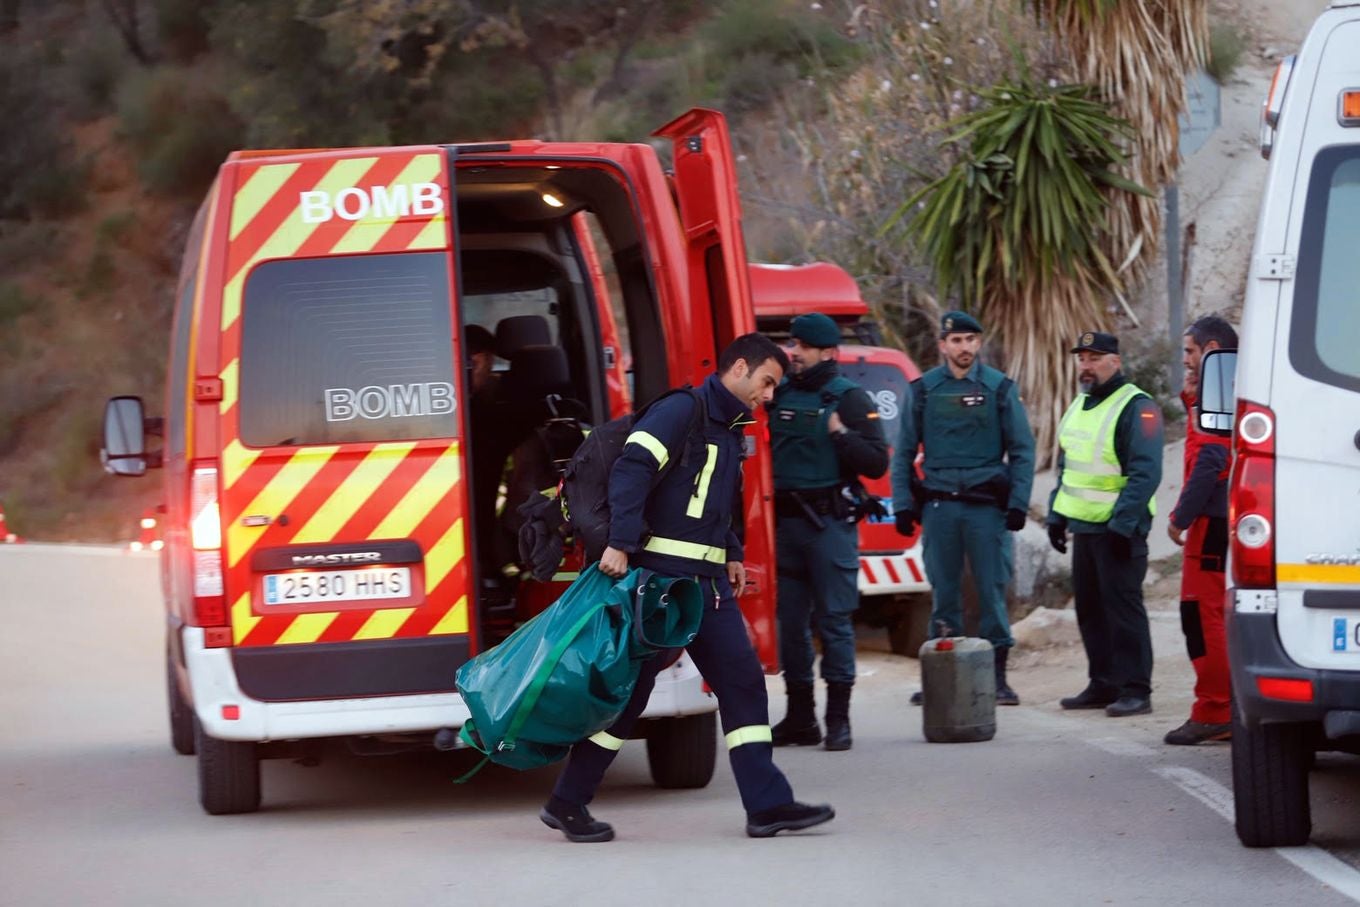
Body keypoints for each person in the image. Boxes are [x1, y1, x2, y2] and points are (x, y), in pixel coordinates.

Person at [540, 333, 835, 843]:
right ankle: (568, 801)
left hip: (707, 586)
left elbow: (716, 503)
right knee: (629, 696)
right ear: (739, 368)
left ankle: (768, 806)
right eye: (765, 383)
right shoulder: (682, 410)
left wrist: (734, 553)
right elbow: (633, 467)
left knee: (742, 683)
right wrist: (621, 543)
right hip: (660, 587)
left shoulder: (728, 427)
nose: (768, 396)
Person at [890, 311, 1035, 705]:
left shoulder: (1000, 389)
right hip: (939, 508)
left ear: (979, 343)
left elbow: (1022, 450)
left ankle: (998, 681)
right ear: (942, 345)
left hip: (986, 509)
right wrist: (903, 505)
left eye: (971, 340)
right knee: (944, 592)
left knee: (991, 590)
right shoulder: (922, 391)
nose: (964, 348)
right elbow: (902, 453)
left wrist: (1018, 504)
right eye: (956, 341)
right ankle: (941, 678)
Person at [768, 312, 889, 752]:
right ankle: (801, 718)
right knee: (790, 626)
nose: (793, 353)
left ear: (827, 353)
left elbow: (877, 463)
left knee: (835, 622)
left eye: (802, 346)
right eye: (793, 344)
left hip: (828, 525)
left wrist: (839, 435)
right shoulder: (776, 394)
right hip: (784, 527)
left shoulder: (849, 399)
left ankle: (838, 719)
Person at [1048, 331, 1163, 717]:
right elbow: (1069, 465)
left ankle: (1136, 689)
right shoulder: (1080, 404)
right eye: (1082, 358)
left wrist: (1123, 524)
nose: (1086, 365)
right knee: (1091, 611)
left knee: (1123, 611)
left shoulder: (1137, 406)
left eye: (1095, 357)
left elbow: (1145, 472)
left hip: (1120, 531)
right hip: (1085, 527)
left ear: (1116, 361)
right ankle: (1103, 682)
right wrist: (1056, 514)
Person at [1163, 315, 1237, 745]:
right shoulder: (1219, 389)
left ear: (1210, 350)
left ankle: (1214, 710)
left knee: (1203, 617)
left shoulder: (1219, 391)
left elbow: (1210, 460)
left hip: (1209, 525)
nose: (1185, 360)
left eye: (1189, 351)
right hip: (1216, 522)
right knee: (1210, 618)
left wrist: (1179, 518)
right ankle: (1222, 707)